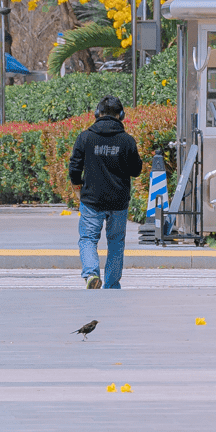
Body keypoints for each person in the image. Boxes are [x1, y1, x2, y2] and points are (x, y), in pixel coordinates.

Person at [68, 95, 143, 290]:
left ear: (97, 114)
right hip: (119, 201)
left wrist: (78, 187)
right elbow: (136, 170)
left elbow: (74, 168)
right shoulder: (127, 140)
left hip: (92, 200)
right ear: (121, 115)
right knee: (116, 242)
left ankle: (92, 274)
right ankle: (111, 284)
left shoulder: (85, 137)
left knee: (88, 239)